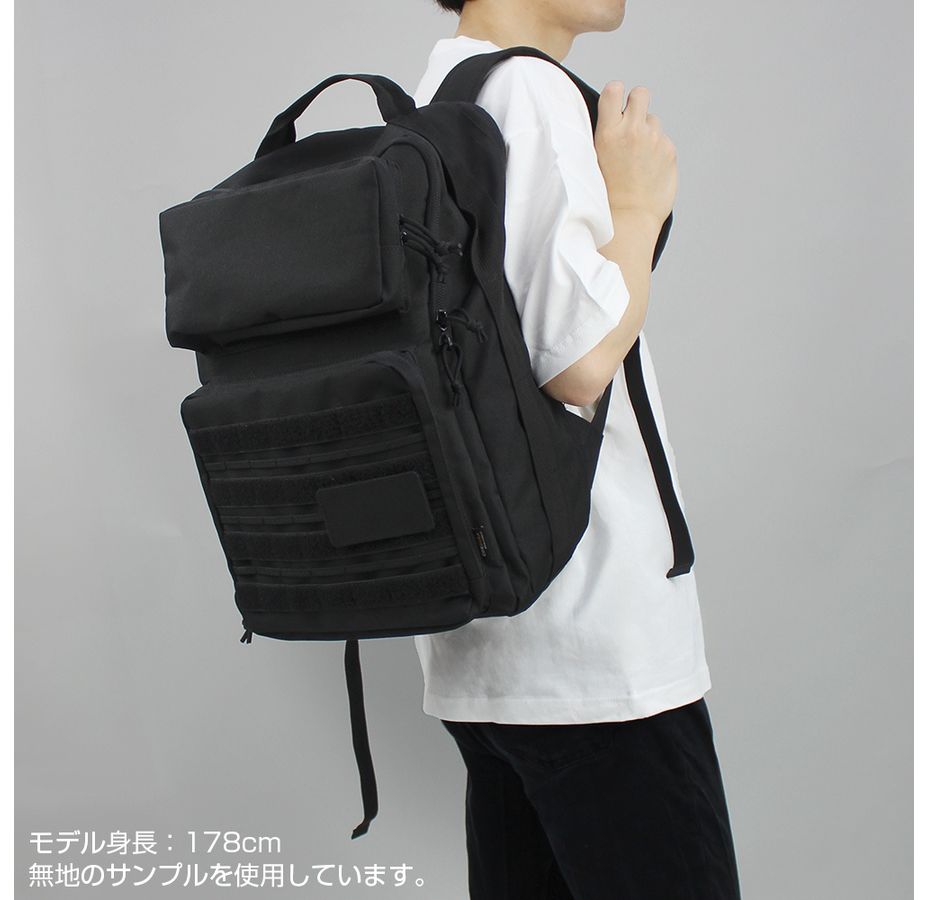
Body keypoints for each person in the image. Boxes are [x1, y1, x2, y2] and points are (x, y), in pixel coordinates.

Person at [411, 2, 742, 897]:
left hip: (492, 642)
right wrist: (635, 205)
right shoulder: (528, 90)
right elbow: (579, 362)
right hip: (593, 645)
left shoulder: (442, 88)